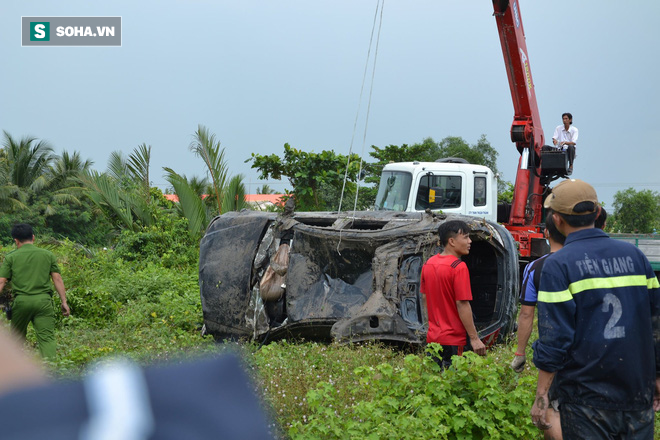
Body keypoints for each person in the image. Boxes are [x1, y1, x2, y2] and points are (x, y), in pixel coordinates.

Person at [531, 179, 660, 438]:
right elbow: (656, 322)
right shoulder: (636, 257)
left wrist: (542, 395)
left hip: (585, 400)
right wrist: (657, 376)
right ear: (598, 213)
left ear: (557, 220)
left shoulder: (559, 265)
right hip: (637, 392)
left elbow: (555, 338)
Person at [511, 214, 565, 440]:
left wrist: (520, 352)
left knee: (552, 409)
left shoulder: (535, 267)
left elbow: (526, 313)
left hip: (554, 350)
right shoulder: (586, 262)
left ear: (546, 233)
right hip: (594, 351)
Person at [421, 220, 486, 369]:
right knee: (454, 384)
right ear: (451, 241)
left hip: (433, 338)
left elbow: (424, 298)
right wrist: (474, 338)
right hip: (454, 340)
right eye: (466, 237)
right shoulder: (458, 267)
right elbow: (462, 303)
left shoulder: (428, 264)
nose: (470, 241)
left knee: (434, 383)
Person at [0, 223, 70, 359]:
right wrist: (64, 301)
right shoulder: (48, 255)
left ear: (16, 240)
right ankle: (51, 371)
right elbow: (57, 278)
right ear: (33, 237)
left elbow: (2, 281)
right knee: (47, 339)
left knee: (16, 341)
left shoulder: (11, 257)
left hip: (22, 302)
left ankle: (16, 372)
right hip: (44, 302)